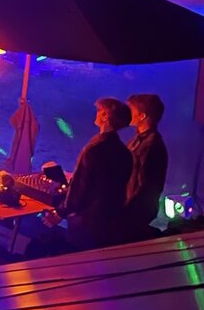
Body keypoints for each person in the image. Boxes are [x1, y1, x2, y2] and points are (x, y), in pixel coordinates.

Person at [35, 97, 132, 255]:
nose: (96, 114)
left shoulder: (95, 148)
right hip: (110, 222)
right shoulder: (125, 152)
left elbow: (81, 186)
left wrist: (60, 213)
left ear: (105, 116)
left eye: (100, 111)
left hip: (87, 223)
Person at [124, 93, 169, 240]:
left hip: (135, 212)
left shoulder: (150, 145)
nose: (127, 113)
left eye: (130, 110)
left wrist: (125, 209)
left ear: (142, 116)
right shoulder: (139, 140)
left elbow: (146, 186)